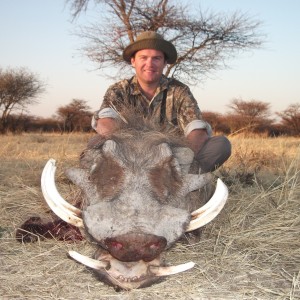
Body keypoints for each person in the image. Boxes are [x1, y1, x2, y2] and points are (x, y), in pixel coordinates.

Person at [91, 31, 231, 172]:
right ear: (133, 61)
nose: (149, 64)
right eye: (143, 57)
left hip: (171, 160)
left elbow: (196, 128)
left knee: (221, 145)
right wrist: (127, 150)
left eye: (156, 58)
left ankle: (182, 178)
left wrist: (182, 157)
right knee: (94, 144)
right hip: (129, 157)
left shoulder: (179, 90)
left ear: (164, 62)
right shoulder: (118, 90)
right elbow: (105, 121)